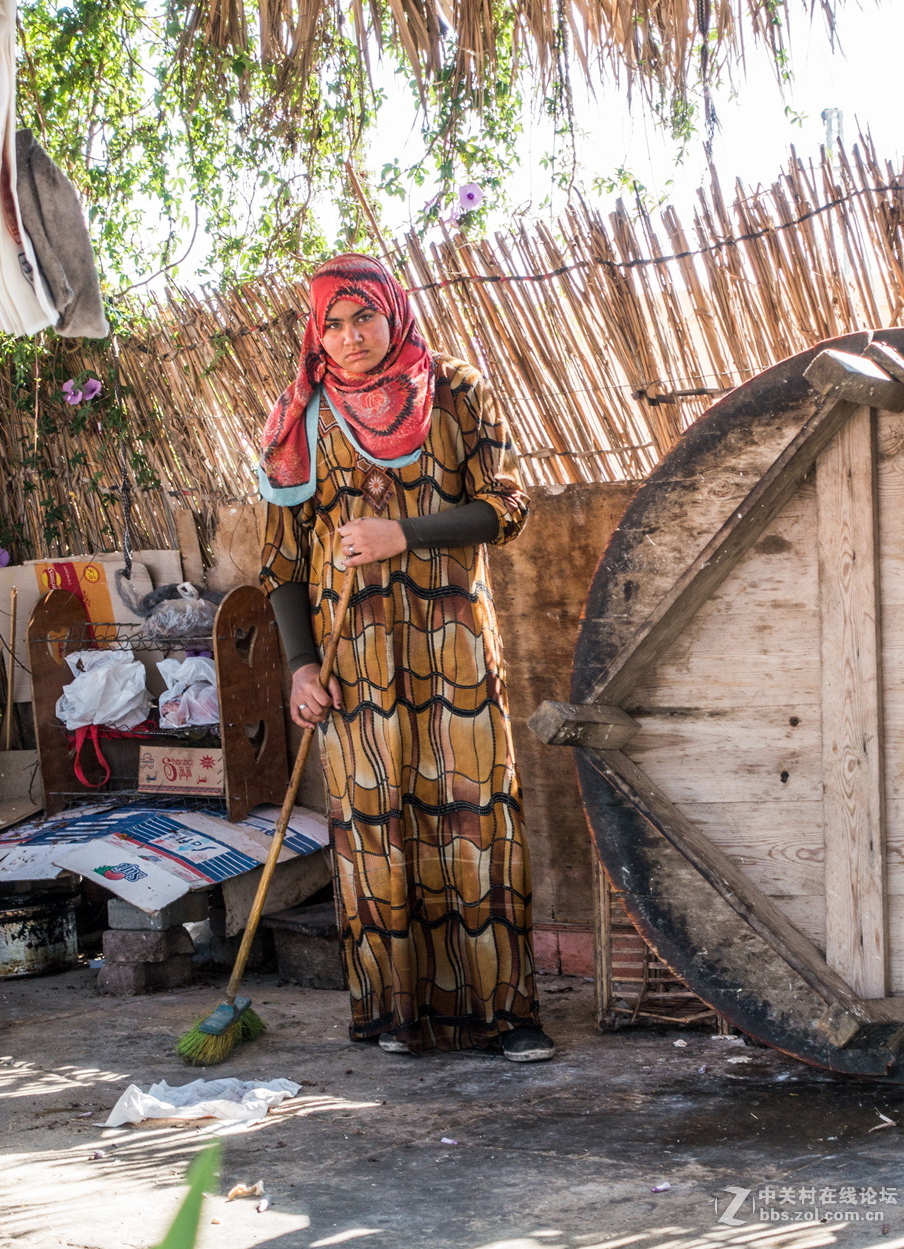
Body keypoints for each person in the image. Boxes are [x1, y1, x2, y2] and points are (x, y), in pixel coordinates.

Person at [258, 253, 553, 1061]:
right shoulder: (304, 418)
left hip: (453, 647)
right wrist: (300, 666)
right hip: (353, 663)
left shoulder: (455, 390)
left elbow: (507, 506)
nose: (351, 338)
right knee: (377, 827)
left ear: (395, 311)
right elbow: (282, 562)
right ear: (316, 332)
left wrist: (405, 534)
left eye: (364, 317)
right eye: (334, 323)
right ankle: (395, 1014)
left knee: (476, 816)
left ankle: (508, 1016)